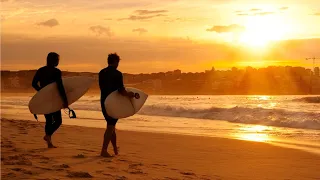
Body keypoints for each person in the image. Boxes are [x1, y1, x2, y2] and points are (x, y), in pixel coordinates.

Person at [99, 53, 139, 157]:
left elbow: (103, 88)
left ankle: (115, 149)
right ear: (116, 62)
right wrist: (129, 94)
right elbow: (121, 91)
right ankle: (104, 150)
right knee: (111, 126)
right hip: (114, 104)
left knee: (111, 125)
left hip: (104, 102)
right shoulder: (118, 74)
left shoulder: (101, 73)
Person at [32, 52, 68, 148]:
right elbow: (60, 87)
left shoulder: (41, 70)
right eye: (57, 60)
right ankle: (48, 136)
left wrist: (41, 91)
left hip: (44, 98)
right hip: (54, 99)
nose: (58, 62)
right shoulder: (56, 72)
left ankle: (49, 142)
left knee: (48, 120)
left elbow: (34, 84)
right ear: (53, 60)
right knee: (58, 121)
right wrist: (65, 100)